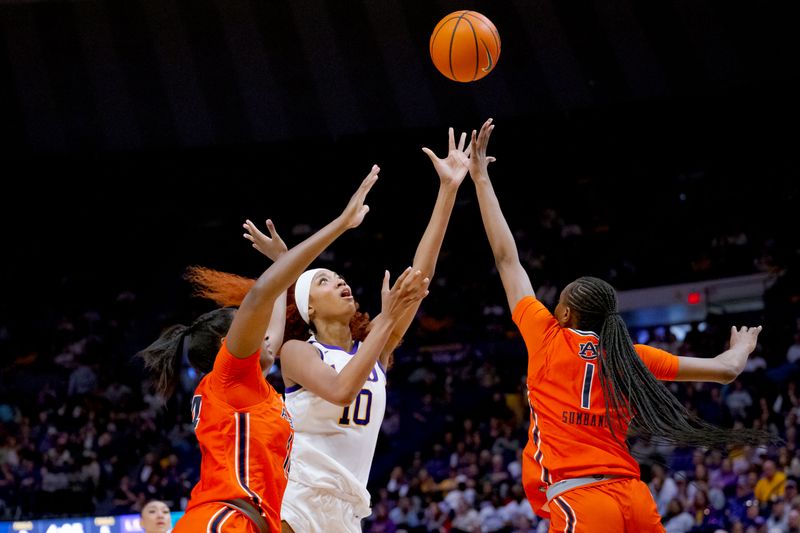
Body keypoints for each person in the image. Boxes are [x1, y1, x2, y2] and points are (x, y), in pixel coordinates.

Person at [466, 118, 773, 532]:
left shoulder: (546, 335)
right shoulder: (632, 357)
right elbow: (726, 371)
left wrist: (481, 178)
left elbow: (507, 259)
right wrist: (743, 347)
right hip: (634, 498)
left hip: (582, 500)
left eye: (557, 302)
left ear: (566, 316)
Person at [138, 166, 431, 533]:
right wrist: (340, 223)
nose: (267, 338)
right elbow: (262, 295)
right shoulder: (230, 375)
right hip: (225, 521)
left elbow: (273, 324)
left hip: (254, 522)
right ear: (227, 346)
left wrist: (282, 263)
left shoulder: (249, 386)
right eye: (256, 332)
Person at [242, 126, 471, 533]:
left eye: (340, 276)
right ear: (308, 305)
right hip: (296, 495)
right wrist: (386, 321)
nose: (341, 282)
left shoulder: (372, 348)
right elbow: (339, 389)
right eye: (326, 280)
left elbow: (419, 278)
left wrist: (448, 191)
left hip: (348, 509)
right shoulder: (298, 352)